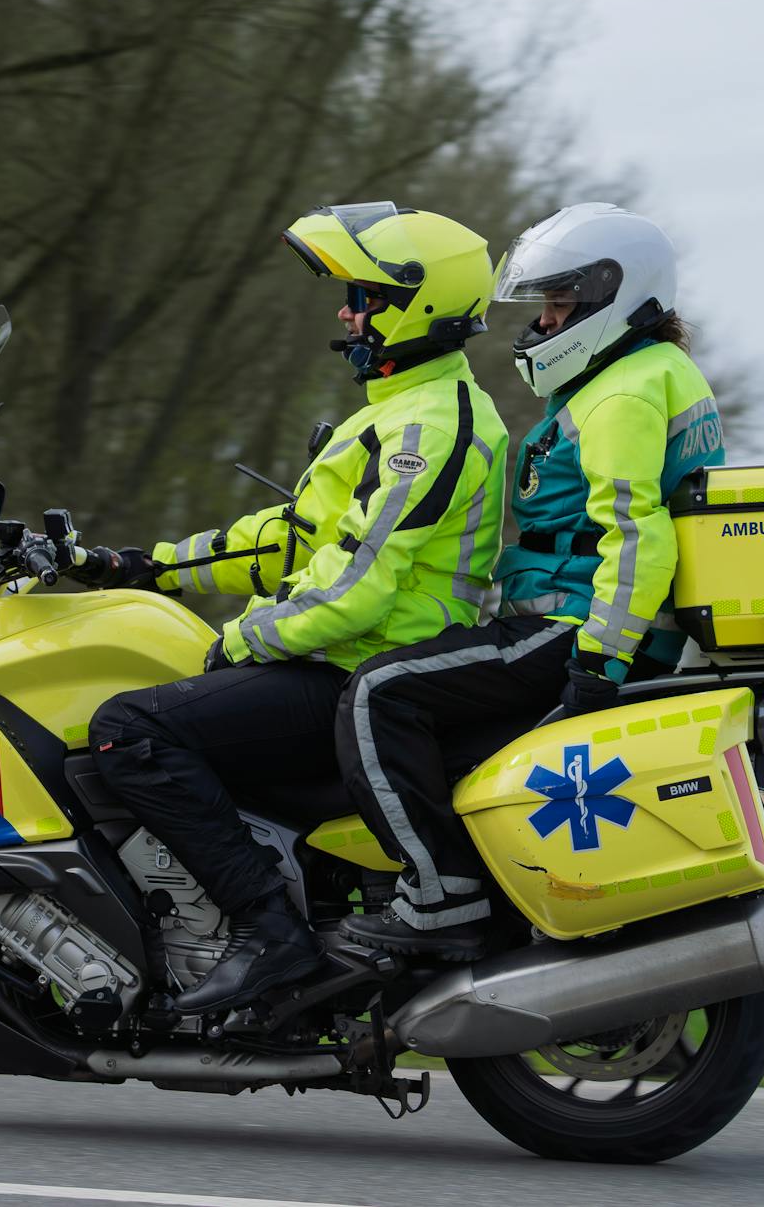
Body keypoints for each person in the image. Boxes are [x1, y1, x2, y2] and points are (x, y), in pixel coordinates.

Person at [82, 202, 510, 1014]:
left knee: (127, 729)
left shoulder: (430, 425)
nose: (347, 313)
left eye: (364, 296)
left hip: (354, 666)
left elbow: (359, 585)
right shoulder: (395, 412)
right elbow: (290, 539)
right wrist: (142, 566)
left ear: (416, 303)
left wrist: (240, 639)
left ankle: (268, 931)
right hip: (340, 657)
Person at [334, 203, 727, 960]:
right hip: (600, 625)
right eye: (545, 305)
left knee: (380, 692)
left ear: (617, 298)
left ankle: (441, 896)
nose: (544, 324)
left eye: (559, 305)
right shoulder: (662, 371)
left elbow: (637, 535)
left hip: (575, 628)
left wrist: (597, 663)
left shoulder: (621, 395)